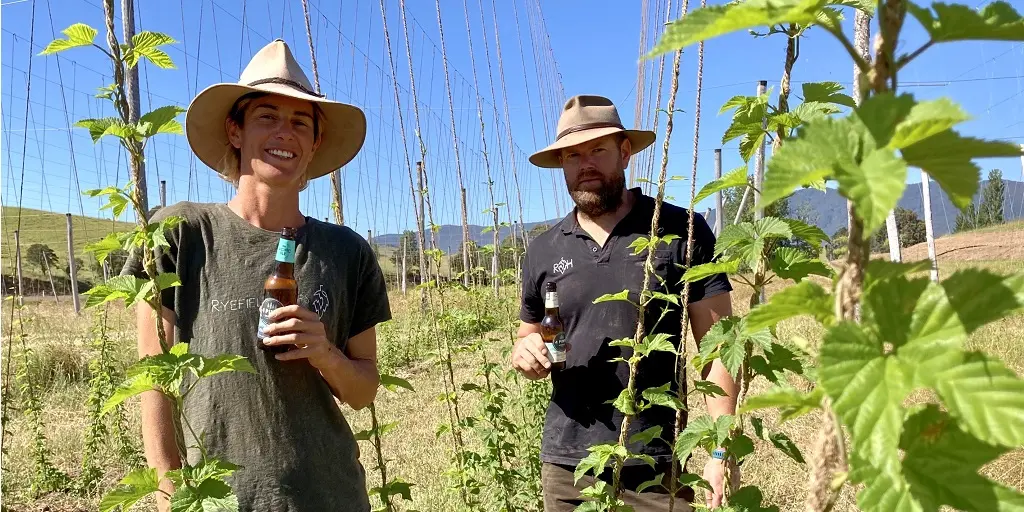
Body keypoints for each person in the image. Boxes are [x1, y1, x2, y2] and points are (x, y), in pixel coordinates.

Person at [123, 39, 390, 511]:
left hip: (329, 495)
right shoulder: (182, 234)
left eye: (301, 122)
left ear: (315, 143)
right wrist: (168, 491)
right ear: (235, 130)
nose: (285, 132)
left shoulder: (347, 252)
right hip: (219, 500)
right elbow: (155, 377)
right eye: (267, 116)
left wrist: (325, 353)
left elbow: (363, 390)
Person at [513, 95, 738, 511]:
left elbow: (719, 347)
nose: (585, 164)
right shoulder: (543, 250)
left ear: (625, 152)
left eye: (597, 150)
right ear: (561, 164)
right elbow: (530, 335)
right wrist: (525, 352)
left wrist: (721, 451)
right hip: (568, 468)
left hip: (656, 461)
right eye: (572, 155)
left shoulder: (680, 229)